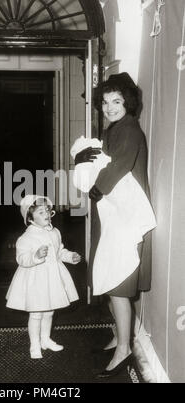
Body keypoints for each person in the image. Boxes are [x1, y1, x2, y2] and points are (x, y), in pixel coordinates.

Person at [74, 72, 156, 378]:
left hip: (126, 219)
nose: (109, 107)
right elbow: (102, 159)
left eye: (117, 101)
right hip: (114, 214)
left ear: (128, 103)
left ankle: (124, 350)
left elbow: (118, 166)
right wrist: (84, 157)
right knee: (109, 280)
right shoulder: (113, 129)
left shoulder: (129, 130)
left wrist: (94, 189)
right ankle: (119, 337)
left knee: (119, 287)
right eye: (106, 101)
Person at [6, 195, 81, 359]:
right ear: (30, 217)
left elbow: (59, 251)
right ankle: (34, 344)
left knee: (49, 312)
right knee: (36, 313)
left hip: (52, 277)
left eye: (47, 210)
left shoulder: (55, 232)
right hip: (35, 280)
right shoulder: (25, 237)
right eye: (40, 212)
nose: (46, 214)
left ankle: (45, 339)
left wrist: (70, 257)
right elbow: (22, 259)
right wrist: (36, 256)